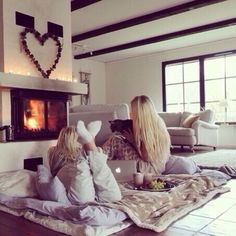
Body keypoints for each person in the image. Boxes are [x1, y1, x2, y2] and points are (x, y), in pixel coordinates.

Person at [102, 95, 199, 175]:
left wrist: (133, 142)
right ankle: (99, 161)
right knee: (118, 139)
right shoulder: (158, 123)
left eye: (133, 110)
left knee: (115, 140)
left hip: (149, 169)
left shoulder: (147, 130)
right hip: (156, 167)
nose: (130, 113)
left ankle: (96, 162)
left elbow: (147, 157)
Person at [48, 121, 122, 205]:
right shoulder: (55, 152)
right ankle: (89, 142)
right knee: (84, 198)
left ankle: (89, 142)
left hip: (84, 170)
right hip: (69, 170)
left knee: (113, 196)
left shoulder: (90, 160)